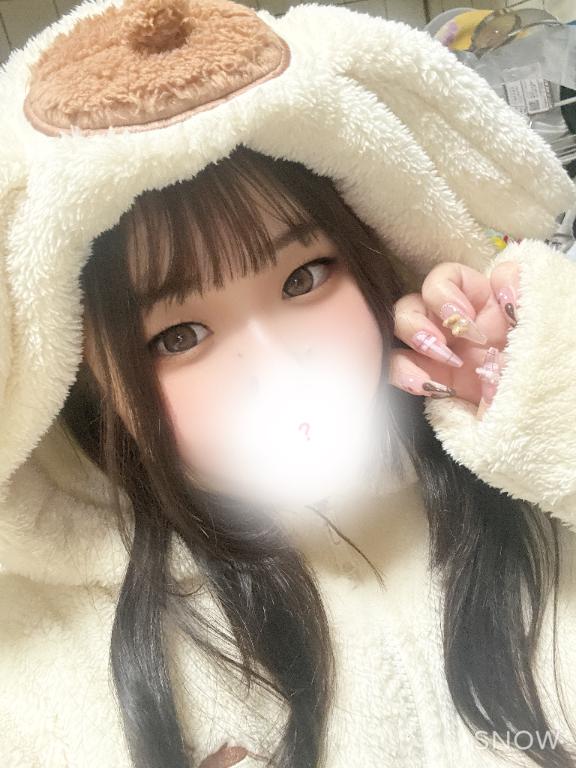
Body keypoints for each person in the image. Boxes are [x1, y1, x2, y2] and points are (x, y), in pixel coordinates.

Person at [1, 1, 576, 767]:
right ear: (79, 378)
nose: (278, 364)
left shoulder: (512, 462)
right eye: (179, 336)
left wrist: (547, 405)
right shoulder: (41, 649)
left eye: (305, 277)